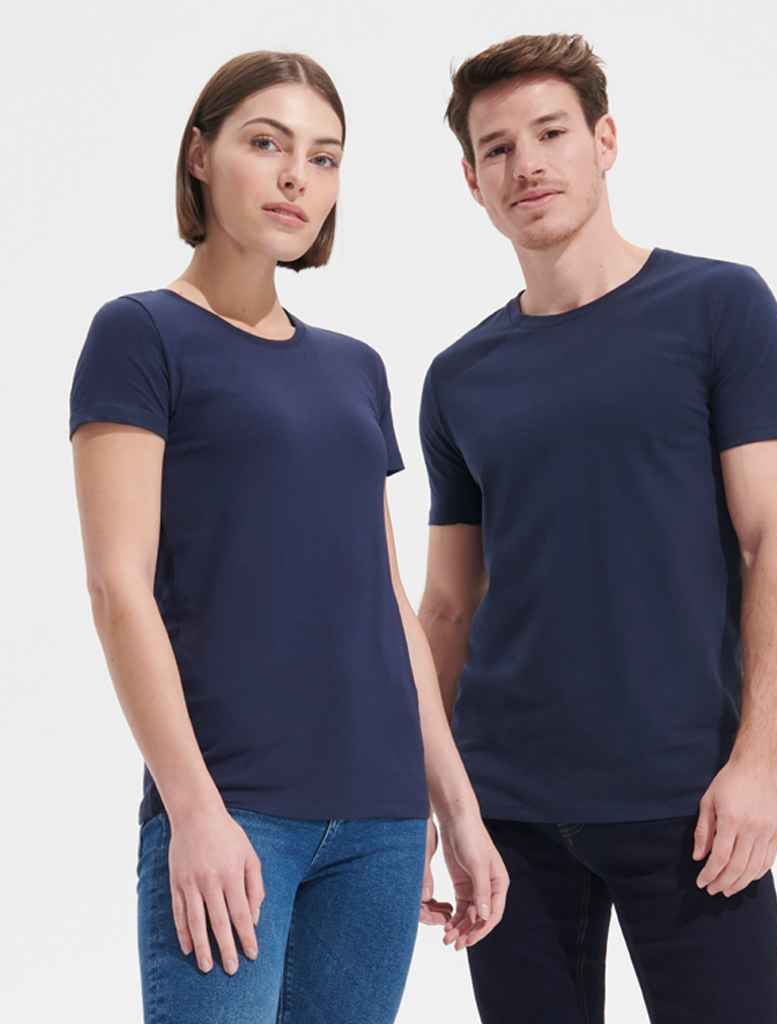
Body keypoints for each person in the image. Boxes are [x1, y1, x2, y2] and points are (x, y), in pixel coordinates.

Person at [68, 49, 507, 1024]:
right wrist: (192, 809)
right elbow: (116, 589)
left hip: (382, 820)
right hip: (235, 806)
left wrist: (457, 808)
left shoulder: (355, 368)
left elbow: (387, 605)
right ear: (200, 155)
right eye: (266, 143)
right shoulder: (140, 336)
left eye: (323, 156)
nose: (296, 176)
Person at [416, 32, 777, 1024]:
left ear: (604, 141)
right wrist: (426, 795)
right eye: (498, 148)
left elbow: (776, 543)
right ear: (471, 182)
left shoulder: (720, 308)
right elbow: (449, 605)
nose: (527, 163)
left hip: (691, 803)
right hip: (508, 815)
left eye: (551, 133)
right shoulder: (458, 377)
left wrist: (760, 764)